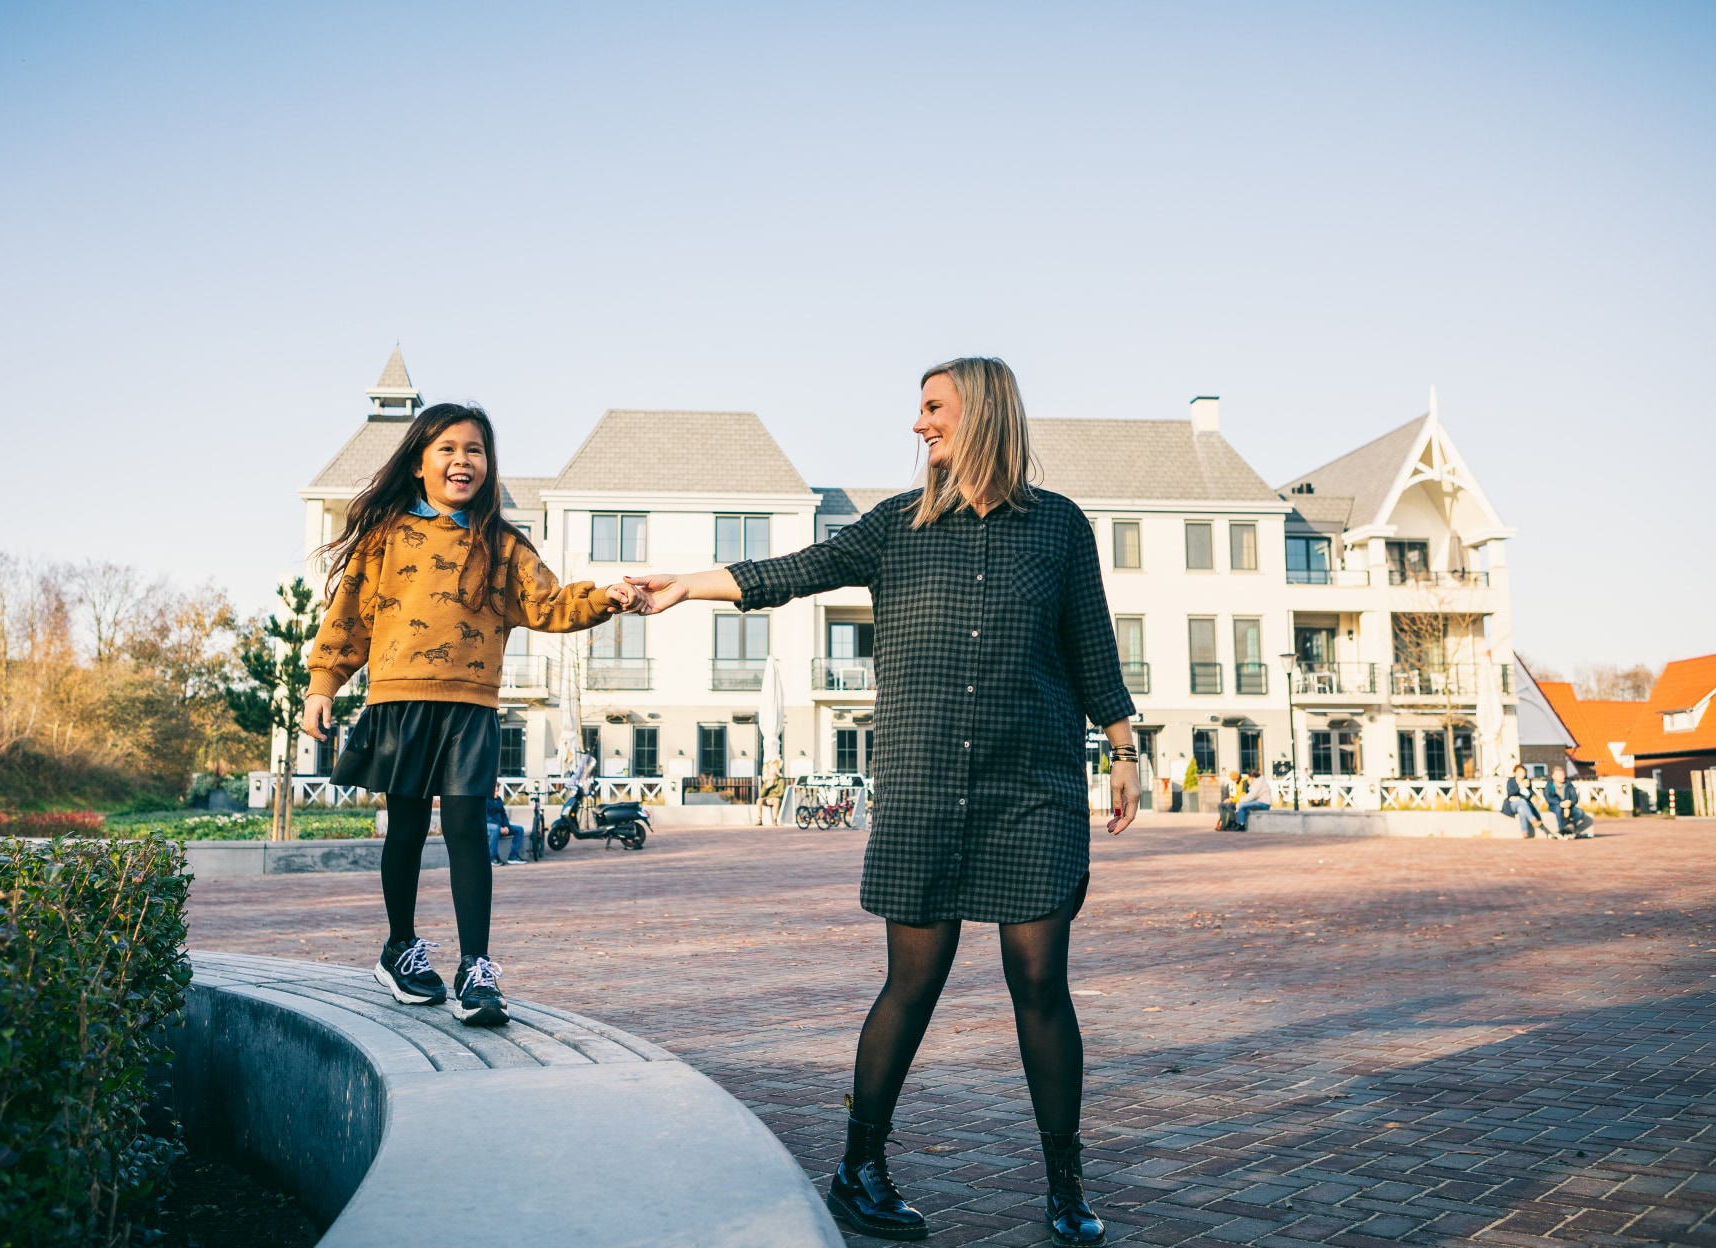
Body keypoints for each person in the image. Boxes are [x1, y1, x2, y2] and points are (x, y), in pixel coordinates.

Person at [628, 357, 1135, 1247]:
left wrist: (1124, 747)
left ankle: (1065, 1184)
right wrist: (686, 586)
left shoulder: (1058, 528)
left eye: (933, 408)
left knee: (1040, 982)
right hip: (926, 791)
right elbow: (794, 569)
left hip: (1034, 788)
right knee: (913, 981)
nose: (918, 425)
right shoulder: (895, 526)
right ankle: (859, 1168)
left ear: (979, 412)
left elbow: (1091, 644)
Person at [300, 402, 636, 1025]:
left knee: (467, 836)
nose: (463, 460)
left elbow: (550, 605)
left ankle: (476, 969)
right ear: (420, 461)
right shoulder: (386, 537)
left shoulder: (502, 545)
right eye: (448, 448)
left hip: (471, 708)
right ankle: (400, 947)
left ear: (489, 464)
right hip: (400, 700)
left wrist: (606, 598)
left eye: (475, 449)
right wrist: (324, 684)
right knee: (404, 830)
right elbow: (348, 616)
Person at [1541, 766, 1593, 839]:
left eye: (1563, 774)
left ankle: (1569, 826)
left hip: (1568, 806)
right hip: (1555, 806)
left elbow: (1574, 798)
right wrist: (1560, 804)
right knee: (1558, 809)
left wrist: (1568, 804)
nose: (1562, 777)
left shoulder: (1569, 784)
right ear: (1553, 776)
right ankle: (1561, 829)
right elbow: (1548, 798)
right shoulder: (1549, 785)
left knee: (1579, 812)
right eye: (1559, 775)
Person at [1503, 764, 1553, 839]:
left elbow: (1530, 795)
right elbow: (1510, 794)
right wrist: (1520, 786)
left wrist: (1520, 796)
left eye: (1523, 772)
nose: (1522, 774)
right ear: (1515, 773)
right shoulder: (1511, 781)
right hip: (1512, 805)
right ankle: (1533, 820)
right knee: (1521, 802)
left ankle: (1525, 832)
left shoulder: (1527, 781)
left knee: (1521, 809)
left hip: (1523, 805)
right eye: (1520, 772)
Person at [486, 795, 527, 865]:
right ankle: (492, 857)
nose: (496, 792)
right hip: (488, 824)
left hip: (500, 825)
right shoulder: (485, 800)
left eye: (497, 789)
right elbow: (486, 816)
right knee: (495, 828)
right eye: (495, 790)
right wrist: (500, 827)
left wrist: (506, 826)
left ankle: (513, 856)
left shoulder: (498, 799)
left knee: (519, 829)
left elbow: (503, 814)